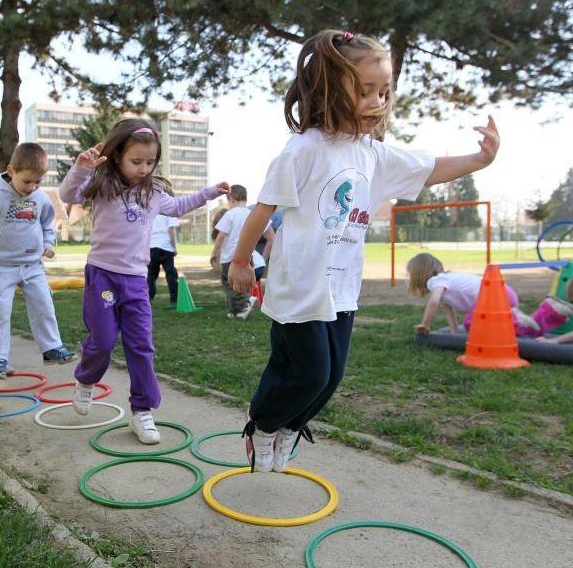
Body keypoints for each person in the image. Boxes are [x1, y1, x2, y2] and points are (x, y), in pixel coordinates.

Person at [227, 29, 502, 473]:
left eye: (385, 92)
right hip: (300, 285)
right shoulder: (303, 149)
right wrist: (241, 261)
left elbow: (429, 167)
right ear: (330, 90)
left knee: (331, 377)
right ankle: (262, 424)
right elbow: (264, 208)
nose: (378, 102)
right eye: (365, 91)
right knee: (308, 371)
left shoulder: (373, 155)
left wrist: (479, 160)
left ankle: (291, 426)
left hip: (341, 289)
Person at [59, 118, 229, 444]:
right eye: (136, 161)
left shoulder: (153, 193)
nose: (143, 168)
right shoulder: (102, 185)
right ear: (117, 155)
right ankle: (85, 380)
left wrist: (210, 193)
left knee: (141, 347)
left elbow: (179, 206)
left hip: (136, 280)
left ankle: (142, 411)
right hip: (103, 275)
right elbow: (70, 194)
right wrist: (81, 167)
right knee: (104, 340)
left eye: (150, 162)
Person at [0, 142, 76, 379]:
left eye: (38, 182)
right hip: (0, 266)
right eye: (27, 181)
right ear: (11, 170)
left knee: (44, 305)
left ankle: (51, 348)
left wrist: (48, 244)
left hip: (32, 266)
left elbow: (47, 223)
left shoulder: (41, 198)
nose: (32, 187)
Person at [407, 252, 573, 337]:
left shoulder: (435, 282)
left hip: (495, 295)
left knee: (471, 323)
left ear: (420, 274)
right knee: (512, 331)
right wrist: (454, 336)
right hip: (502, 293)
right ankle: (550, 311)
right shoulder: (445, 281)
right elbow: (449, 311)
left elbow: (433, 302)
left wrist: (425, 323)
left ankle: (528, 317)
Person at [211, 185, 257, 320]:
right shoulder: (251, 214)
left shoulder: (230, 214)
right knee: (242, 283)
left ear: (231, 198)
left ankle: (247, 300)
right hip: (248, 255)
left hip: (230, 257)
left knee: (229, 283)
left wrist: (214, 253)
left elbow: (220, 236)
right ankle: (236, 311)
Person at [147, 213, 180, 305]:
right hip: (166, 246)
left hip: (152, 246)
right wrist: (174, 247)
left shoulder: (151, 210)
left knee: (151, 274)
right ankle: (174, 299)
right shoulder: (170, 211)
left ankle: (149, 297)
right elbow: (171, 230)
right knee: (170, 273)